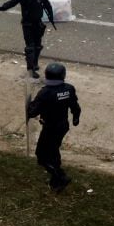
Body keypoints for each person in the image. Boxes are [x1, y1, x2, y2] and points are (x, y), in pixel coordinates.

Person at [26, 62, 81, 192]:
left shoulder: (45, 92)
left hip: (50, 127)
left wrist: (30, 105)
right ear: (63, 75)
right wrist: (76, 118)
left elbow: (33, 112)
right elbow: (75, 107)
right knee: (53, 150)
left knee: (42, 155)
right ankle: (56, 177)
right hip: (62, 126)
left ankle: (60, 177)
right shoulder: (69, 88)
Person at [0, 0, 55, 78]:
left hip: (38, 24)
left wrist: (51, 17)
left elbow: (48, 5)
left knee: (38, 46)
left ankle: (35, 64)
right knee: (30, 48)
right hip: (27, 25)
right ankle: (31, 69)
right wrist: (1, 8)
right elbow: (12, 2)